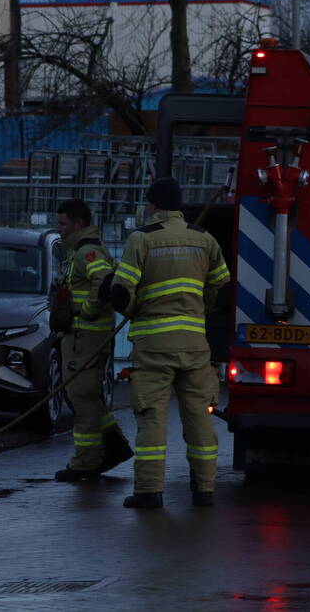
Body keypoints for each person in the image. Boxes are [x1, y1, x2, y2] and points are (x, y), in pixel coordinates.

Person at [110, 178, 230, 509]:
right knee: (199, 419)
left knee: (152, 417)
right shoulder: (204, 239)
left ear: (153, 205)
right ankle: (204, 490)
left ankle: (149, 492)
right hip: (194, 345)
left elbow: (120, 293)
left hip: (153, 346)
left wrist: (134, 308)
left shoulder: (141, 240)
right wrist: (200, 307)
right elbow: (222, 286)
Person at [53, 199, 133, 482]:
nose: (59, 229)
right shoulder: (80, 250)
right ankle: (114, 446)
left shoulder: (87, 252)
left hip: (85, 338)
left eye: (63, 224)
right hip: (82, 337)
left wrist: (85, 311)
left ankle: (85, 462)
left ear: (79, 223)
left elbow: (104, 280)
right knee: (85, 395)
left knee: (81, 397)